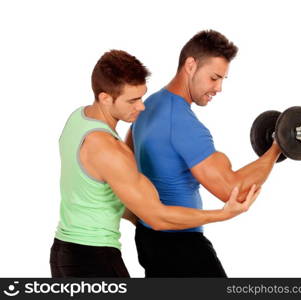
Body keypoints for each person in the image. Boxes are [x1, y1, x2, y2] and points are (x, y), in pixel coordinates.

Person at [50, 49, 260, 278]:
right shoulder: (109, 149)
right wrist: (222, 214)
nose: (141, 106)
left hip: (63, 251)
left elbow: (100, 195)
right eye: (132, 100)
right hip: (94, 260)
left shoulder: (78, 119)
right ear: (105, 98)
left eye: (142, 96)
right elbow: (158, 218)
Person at [130, 30, 282, 277]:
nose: (219, 88)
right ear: (191, 65)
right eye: (213, 78)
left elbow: (130, 156)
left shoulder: (148, 105)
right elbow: (233, 191)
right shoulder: (182, 123)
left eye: (223, 79)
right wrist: (277, 146)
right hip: (181, 247)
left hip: (148, 239)